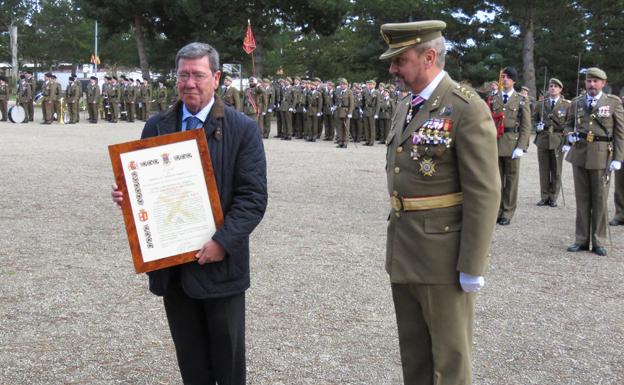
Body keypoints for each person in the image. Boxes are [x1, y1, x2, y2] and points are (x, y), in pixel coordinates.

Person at [111, 42, 267, 384]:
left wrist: (222, 243)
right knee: (191, 364)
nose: (190, 83)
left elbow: (253, 198)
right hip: (175, 270)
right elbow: (145, 188)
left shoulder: (243, 129)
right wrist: (130, 197)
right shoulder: (157, 125)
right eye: (183, 75)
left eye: (198, 75)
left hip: (221, 268)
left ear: (216, 78)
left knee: (227, 366)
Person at [380, 20, 500, 385]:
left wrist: (472, 264)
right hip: (406, 248)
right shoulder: (407, 105)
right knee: (414, 354)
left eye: (400, 60)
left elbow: (484, 191)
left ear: (428, 56)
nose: (392, 69)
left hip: (444, 256)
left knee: (449, 360)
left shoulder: (465, 108)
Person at [564, 67, 624, 256]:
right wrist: (569, 136)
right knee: (582, 200)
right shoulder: (577, 103)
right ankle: (581, 239)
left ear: (603, 83)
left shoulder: (613, 103)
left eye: (596, 81)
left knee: (599, 200)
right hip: (580, 154)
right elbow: (567, 124)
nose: (592, 84)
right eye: (589, 81)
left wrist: (618, 158)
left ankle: (599, 240)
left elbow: (620, 133)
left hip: (601, 155)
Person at [488, 67, 531, 225]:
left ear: (513, 80)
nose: (503, 80)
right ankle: (497, 210)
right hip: (496, 143)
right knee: (496, 180)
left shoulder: (521, 100)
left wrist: (521, 146)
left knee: (511, 181)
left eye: (506, 77)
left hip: (512, 144)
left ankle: (507, 211)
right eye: (502, 77)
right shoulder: (493, 98)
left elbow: (526, 125)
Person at [533, 78, 570, 207]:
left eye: (555, 86)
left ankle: (553, 197)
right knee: (543, 169)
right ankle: (544, 196)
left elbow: (569, 124)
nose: (552, 88)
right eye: (550, 86)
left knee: (556, 169)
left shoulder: (566, 105)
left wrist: (567, 142)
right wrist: (537, 126)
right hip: (543, 138)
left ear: (560, 89)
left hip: (558, 139)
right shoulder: (540, 104)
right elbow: (534, 120)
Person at [334, 78, 354, 148]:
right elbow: (336, 101)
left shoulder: (349, 92)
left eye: (343, 84)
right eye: (341, 84)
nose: (342, 86)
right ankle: (340, 141)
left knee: (346, 127)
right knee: (339, 127)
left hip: (346, 111)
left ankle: (345, 142)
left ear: (346, 85)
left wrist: (350, 113)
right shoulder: (339, 91)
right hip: (339, 111)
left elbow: (351, 104)